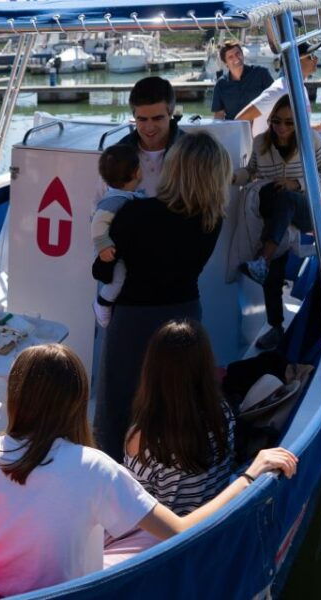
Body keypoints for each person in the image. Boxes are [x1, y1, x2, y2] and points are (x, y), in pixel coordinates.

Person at [0, 343, 297, 598]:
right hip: (59, 595)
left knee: (133, 527)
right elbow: (180, 531)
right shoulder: (95, 468)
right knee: (153, 537)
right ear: (77, 401)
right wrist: (249, 475)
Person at [92, 131, 231, 461]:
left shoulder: (135, 213)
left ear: (175, 167)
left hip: (134, 319)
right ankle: (167, 473)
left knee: (120, 403)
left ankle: (114, 472)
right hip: (185, 316)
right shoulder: (213, 219)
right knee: (175, 402)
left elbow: (103, 271)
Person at [233, 95, 321, 350]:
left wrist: (298, 183)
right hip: (276, 218)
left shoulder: (311, 141)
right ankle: (276, 325)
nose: (282, 128)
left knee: (287, 197)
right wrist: (228, 176)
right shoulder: (260, 143)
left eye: (290, 123)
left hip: (304, 210)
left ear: (299, 123)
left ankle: (263, 259)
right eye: (276, 121)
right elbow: (251, 173)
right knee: (275, 265)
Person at [124, 320, 235, 515]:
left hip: (171, 539)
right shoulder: (222, 411)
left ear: (152, 369)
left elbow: (134, 508)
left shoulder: (142, 439)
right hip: (215, 522)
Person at [91, 144, 143, 328]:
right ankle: (102, 304)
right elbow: (97, 222)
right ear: (137, 172)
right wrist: (103, 246)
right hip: (110, 251)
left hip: (115, 249)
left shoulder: (126, 196)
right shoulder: (115, 199)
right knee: (118, 280)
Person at [235, 41, 321, 137]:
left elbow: (295, 127)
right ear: (295, 62)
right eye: (310, 56)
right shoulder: (278, 91)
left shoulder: (301, 89)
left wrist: (319, 127)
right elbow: (240, 119)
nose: (316, 58)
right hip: (272, 152)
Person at [116, 76, 185, 197]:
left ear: (171, 113)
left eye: (157, 118)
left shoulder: (193, 153)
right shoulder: (117, 155)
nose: (149, 127)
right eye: (142, 119)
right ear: (134, 116)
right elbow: (99, 207)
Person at [211, 40, 274, 121]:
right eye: (230, 57)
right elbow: (219, 115)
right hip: (235, 130)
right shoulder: (221, 84)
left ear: (242, 54)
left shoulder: (261, 74)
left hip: (261, 130)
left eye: (238, 53)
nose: (236, 58)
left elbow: (275, 99)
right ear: (225, 63)